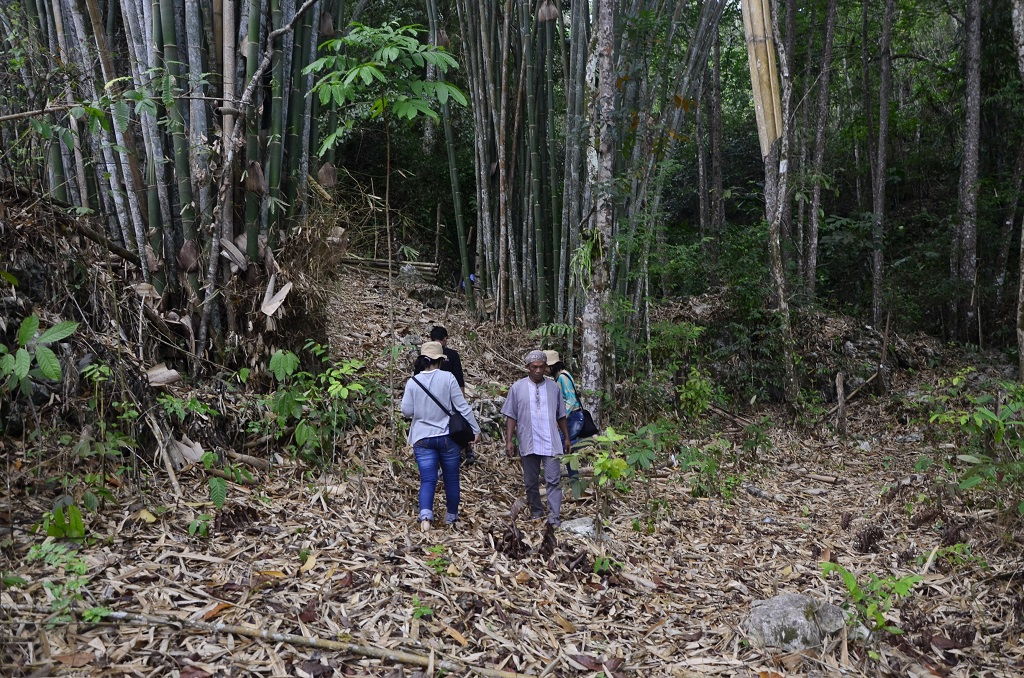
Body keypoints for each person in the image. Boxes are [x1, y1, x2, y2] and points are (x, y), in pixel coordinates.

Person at [401, 341, 481, 531]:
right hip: (448, 437)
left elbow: (406, 411)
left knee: (428, 479)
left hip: (422, 438)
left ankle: (426, 518)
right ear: (440, 360)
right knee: (451, 478)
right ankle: (451, 517)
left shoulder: (413, 382)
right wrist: (476, 430)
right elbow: (462, 407)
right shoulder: (448, 378)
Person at [501, 350, 571, 526]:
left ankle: (554, 517)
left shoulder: (554, 387)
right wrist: (509, 441)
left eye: (541, 367)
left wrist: (567, 438)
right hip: (528, 440)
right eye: (534, 367)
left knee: (553, 480)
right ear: (528, 368)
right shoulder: (517, 388)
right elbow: (511, 416)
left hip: (551, 441)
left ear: (546, 367)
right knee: (531, 481)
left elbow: (561, 415)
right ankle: (537, 511)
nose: (538, 370)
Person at [430, 325, 478, 466]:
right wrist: (461, 397)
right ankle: (466, 449)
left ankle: (442, 455)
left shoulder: (424, 356)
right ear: (445, 339)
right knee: (458, 423)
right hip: (451, 396)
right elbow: (459, 378)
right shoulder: (451, 355)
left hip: (430, 398)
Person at [545, 350, 584, 476]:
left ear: (552, 366)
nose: (544, 370)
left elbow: (571, 400)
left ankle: (590, 441)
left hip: (574, 417)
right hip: (572, 418)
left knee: (561, 446)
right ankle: (574, 480)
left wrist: (561, 417)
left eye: (546, 367)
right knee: (568, 451)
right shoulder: (560, 377)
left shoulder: (562, 377)